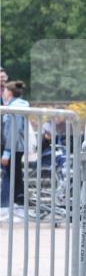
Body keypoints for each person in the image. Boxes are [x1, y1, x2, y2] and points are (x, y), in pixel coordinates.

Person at [1, 81, 30, 216]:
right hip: (15, 147)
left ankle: (15, 207)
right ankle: (16, 206)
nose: (3, 93)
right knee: (15, 175)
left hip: (14, 148)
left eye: (5, 91)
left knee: (13, 176)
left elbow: (13, 131)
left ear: (10, 93)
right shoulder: (14, 106)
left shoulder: (16, 108)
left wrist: (7, 153)